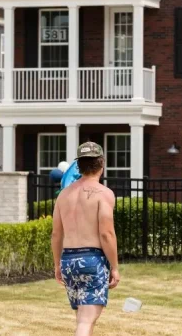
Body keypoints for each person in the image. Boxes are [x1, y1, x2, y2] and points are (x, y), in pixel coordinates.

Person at [52, 142, 120, 336]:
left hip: (68, 260)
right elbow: (106, 233)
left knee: (83, 316)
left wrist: (58, 264)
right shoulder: (104, 194)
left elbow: (56, 234)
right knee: (86, 320)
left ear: (79, 165)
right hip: (92, 260)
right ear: (101, 164)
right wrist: (114, 267)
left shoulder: (64, 195)